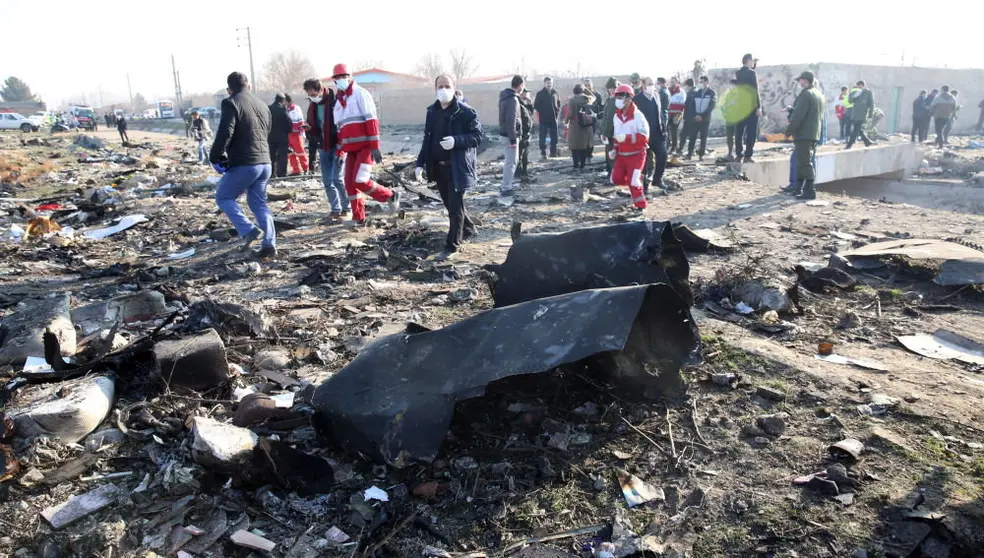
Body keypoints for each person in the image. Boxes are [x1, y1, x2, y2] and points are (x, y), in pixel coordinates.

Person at [414, 74, 482, 259]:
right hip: (438, 167)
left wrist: (457, 141)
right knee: (451, 204)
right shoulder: (432, 112)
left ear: (453, 87)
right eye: (440, 86)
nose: (443, 89)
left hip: (457, 167)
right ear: (435, 89)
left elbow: (478, 136)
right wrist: (420, 163)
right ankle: (468, 227)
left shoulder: (466, 112)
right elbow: (427, 140)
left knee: (454, 208)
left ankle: (452, 245)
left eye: (447, 85)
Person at [209, 71, 276, 259]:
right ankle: (270, 244)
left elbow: (225, 131)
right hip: (265, 163)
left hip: (246, 163)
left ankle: (248, 230)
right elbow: (267, 131)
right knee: (259, 203)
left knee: (224, 197)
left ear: (229, 89)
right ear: (249, 86)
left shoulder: (231, 102)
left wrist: (215, 155)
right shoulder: (262, 105)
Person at [331, 63, 400, 223]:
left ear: (350, 77)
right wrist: (340, 151)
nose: (341, 80)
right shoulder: (339, 102)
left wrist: (375, 147)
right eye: (338, 77)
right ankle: (359, 218)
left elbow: (371, 121)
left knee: (360, 180)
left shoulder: (361, 94)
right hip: (351, 150)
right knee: (349, 184)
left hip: (365, 148)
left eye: (343, 76)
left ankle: (390, 195)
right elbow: (340, 130)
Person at [781, 71, 825, 200]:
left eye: (800, 80)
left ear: (805, 80)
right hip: (813, 133)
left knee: (805, 163)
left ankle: (810, 191)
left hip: (804, 133)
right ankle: (799, 189)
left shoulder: (806, 94)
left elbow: (798, 116)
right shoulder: (818, 94)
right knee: (802, 162)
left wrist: (788, 131)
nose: (799, 83)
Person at [610, 84, 650, 211]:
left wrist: (627, 138)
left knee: (634, 181)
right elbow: (617, 136)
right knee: (615, 178)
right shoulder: (616, 117)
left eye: (621, 96)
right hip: (622, 154)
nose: (618, 99)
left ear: (629, 98)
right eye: (617, 96)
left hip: (637, 154)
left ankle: (641, 206)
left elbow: (644, 138)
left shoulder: (638, 116)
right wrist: (614, 149)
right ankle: (637, 177)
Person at [633, 76, 668, 194]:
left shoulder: (657, 96)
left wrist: (664, 129)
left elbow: (660, 114)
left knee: (662, 155)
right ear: (643, 85)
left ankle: (657, 179)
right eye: (649, 84)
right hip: (644, 135)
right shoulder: (637, 100)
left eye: (653, 83)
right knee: (644, 162)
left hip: (657, 133)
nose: (652, 86)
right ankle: (644, 185)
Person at [498, 75, 524, 196]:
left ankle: (506, 185)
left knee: (510, 161)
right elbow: (511, 120)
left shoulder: (505, 97)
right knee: (511, 162)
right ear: (520, 85)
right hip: (510, 136)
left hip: (505, 133)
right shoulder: (512, 99)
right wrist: (513, 139)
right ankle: (506, 188)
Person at [733, 54, 761, 163]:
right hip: (751, 107)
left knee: (739, 132)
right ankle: (748, 156)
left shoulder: (738, 73)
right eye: (752, 61)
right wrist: (758, 107)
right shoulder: (752, 73)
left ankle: (739, 155)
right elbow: (755, 90)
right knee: (751, 132)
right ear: (749, 60)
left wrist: (753, 67)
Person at [565, 84, 595, 170]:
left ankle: (575, 165)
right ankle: (582, 164)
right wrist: (586, 89)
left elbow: (570, 113)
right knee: (584, 146)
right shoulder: (588, 99)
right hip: (586, 125)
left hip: (575, 125)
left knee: (574, 145)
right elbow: (593, 96)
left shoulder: (572, 100)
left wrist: (566, 121)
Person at [688, 76, 716, 160]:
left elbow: (711, 106)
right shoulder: (697, 93)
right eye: (699, 82)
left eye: (702, 82)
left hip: (705, 119)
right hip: (695, 118)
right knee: (692, 136)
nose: (700, 84)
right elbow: (692, 105)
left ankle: (701, 155)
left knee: (703, 137)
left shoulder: (712, 93)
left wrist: (702, 116)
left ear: (707, 82)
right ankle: (689, 153)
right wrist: (695, 115)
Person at [533, 76, 561, 159]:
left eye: (551, 83)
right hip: (544, 119)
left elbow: (558, 104)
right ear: (544, 83)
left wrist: (557, 111)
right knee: (543, 137)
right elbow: (536, 106)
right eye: (548, 83)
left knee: (554, 137)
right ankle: (543, 153)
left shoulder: (555, 93)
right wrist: (543, 112)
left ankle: (553, 152)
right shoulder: (540, 94)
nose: (549, 85)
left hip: (553, 119)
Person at [267, 93, 292, 178]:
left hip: (270, 137)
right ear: (283, 100)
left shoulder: (268, 108)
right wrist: (288, 131)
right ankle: (282, 174)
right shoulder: (283, 109)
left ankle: (271, 174)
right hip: (282, 137)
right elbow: (289, 123)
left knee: (271, 156)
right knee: (282, 156)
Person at [284, 94, 309, 175]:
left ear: (287, 101)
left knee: (300, 152)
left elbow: (301, 121)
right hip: (288, 134)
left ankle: (306, 169)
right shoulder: (284, 109)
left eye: (284, 101)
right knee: (291, 153)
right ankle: (296, 170)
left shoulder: (296, 108)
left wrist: (302, 134)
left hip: (297, 134)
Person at [845, 80, 874, 149]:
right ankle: (867, 141)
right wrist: (855, 95)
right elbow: (850, 101)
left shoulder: (868, 93)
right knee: (858, 130)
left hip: (862, 115)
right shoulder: (854, 92)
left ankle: (849, 145)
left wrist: (870, 115)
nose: (860, 88)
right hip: (854, 114)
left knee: (855, 130)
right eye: (858, 87)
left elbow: (871, 104)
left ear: (864, 86)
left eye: (861, 87)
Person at [601, 77, 620, 173]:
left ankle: (613, 175)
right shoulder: (612, 100)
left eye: (614, 87)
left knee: (611, 155)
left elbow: (609, 119)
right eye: (610, 88)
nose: (612, 90)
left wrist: (605, 133)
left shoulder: (613, 101)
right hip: (615, 133)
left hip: (612, 133)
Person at [517, 88, 534, 179]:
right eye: (526, 93)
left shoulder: (525, 104)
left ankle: (524, 171)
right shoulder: (518, 103)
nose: (527, 95)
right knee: (520, 154)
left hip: (527, 132)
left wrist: (530, 104)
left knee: (525, 154)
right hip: (522, 132)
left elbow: (530, 114)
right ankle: (519, 172)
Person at [678, 79, 697, 158]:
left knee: (687, 135)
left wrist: (685, 116)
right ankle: (685, 151)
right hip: (691, 117)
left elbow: (689, 106)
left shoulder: (692, 93)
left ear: (689, 85)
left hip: (690, 117)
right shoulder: (693, 92)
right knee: (687, 135)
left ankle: (687, 152)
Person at [667, 82, 686, 154]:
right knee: (666, 130)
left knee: (674, 131)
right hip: (669, 114)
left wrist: (679, 113)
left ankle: (674, 147)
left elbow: (683, 103)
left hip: (677, 114)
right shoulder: (668, 90)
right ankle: (668, 144)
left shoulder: (681, 92)